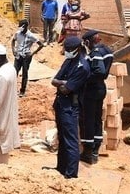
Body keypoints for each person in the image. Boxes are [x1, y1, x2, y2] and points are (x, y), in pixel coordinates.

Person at [48, 36, 90, 179]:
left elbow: (67, 89)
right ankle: (61, 168)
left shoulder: (82, 67)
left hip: (70, 107)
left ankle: (71, 174)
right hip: (61, 104)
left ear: (77, 49)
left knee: (71, 141)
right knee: (62, 138)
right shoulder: (69, 61)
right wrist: (63, 82)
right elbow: (54, 81)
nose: (66, 51)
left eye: (69, 49)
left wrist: (63, 84)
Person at [80, 30, 113, 164]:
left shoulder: (96, 53)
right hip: (100, 89)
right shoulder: (107, 50)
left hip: (92, 90)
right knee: (97, 119)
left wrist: (84, 79)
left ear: (88, 41)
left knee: (88, 120)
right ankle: (95, 150)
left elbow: (100, 71)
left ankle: (88, 152)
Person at [12, 19, 45, 97]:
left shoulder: (31, 36)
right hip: (18, 56)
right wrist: (13, 50)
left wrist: (32, 53)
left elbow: (41, 45)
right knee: (14, 73)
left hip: (26, 57)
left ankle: (22, 91)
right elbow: (13, 41)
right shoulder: (17, 33)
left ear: (25, 26)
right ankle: (12, 90)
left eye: (21, 26)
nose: (19, 28)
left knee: (24, 74)